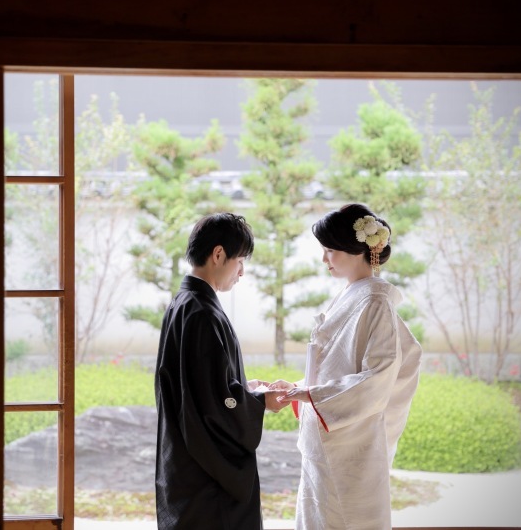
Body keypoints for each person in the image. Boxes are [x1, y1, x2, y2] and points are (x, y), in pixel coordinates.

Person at [270, 203, 422, 530]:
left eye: (329, 251)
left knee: (347, 519)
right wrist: (299, 389)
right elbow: (337, 366)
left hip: (350, 441)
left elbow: (379, 374)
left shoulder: (376, 300)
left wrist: (312, 394)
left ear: (355, 251)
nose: (324, 259)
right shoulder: (354, 294)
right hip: (326, 433)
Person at [154, 212, 288, 530]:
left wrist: (243, 387)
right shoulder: (200, 311)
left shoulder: (185, 303)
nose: (241, 272)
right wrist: (258, 402)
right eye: (240, 261)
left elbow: (201, 386)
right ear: (218, 255)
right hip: (206, 476)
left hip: (185, 461)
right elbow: (213, 404)